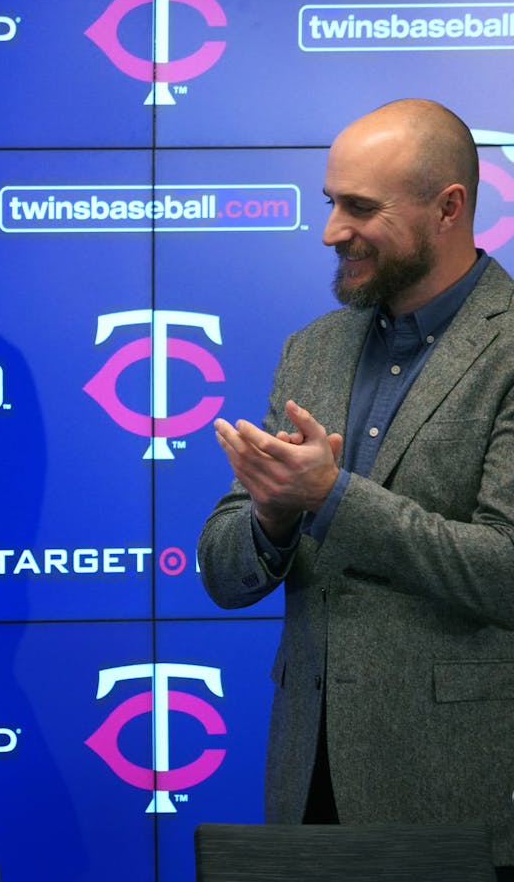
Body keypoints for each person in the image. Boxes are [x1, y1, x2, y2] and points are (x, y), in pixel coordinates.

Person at [198, 98, 514, 871]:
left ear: (449, 208)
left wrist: (331, 498)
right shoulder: (312, 349)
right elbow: (223, 573)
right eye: (330, 203)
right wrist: (271, 518)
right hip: (308, 787)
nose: (332, 230)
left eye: (360, 208)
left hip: (461, 800)